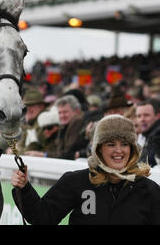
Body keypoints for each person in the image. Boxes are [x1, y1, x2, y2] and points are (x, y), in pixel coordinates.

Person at [11, 114, 160, 224]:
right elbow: (43, 218)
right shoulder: (76, 181)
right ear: (98, 149)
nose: (118, 151)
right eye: (111, 144)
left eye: (124, 144)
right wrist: (24, 189)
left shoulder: (149, 190)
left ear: (133, 148)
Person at [16, 88, 47, 154]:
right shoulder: (31, 123)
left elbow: (32, 149)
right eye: (25, 106)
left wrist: (15, 151)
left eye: (31, 105)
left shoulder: (45, 120)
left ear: (41, 106)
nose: (28, 109)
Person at [54, 95, 84, 159]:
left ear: (77, 111)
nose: (62, 116)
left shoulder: (77, 121)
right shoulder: (63, 125)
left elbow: (68, 151)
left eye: (65, 112)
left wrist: (45, 155)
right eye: (60, 113)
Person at [137, 99, 160, 167]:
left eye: (146, 115)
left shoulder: (157, 138)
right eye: (139, 116)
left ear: (157, 116)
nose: (142, 119)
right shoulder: (145, 136)